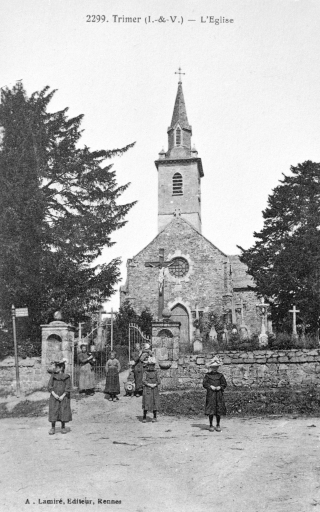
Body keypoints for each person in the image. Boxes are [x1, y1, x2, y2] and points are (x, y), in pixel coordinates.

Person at [202, 356, 227, 432]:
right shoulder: (207, 375)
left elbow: (224, 384)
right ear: (211, 368)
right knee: (211, 410)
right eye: (213, 367)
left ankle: (218, 424)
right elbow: (204, 384)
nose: (214, 369)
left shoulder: (220, 375)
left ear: (218, 367)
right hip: (211, 394)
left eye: (216, 367)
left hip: (218, 394)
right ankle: (211, 425)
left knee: (218, 409)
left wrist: (220, 387)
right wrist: (210, 386)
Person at [48, 359, 72, 435]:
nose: (55, 369)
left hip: (63, 397)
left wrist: (63, 395)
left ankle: (63, 427)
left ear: (61, 368)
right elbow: (49, 386)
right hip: (54, 396)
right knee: (53, 410)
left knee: (63, 410)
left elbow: (68, 387)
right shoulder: (53, 376)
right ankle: (53, 427)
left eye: (57, 367)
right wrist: (54, 394)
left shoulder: (66, 377)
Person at [142, 357, 161, 423]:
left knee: (154, 402)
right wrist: (149, 384)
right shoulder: (145, 372)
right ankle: (144, 416)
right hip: (147, 389)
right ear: (148, 366)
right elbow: (143, 380)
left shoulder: (156, 372)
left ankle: (155, 417)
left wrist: (155, 384)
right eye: (150, 365)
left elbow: (159, 381)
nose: (151, 367)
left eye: (152, 365)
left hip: (154, 389)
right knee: (146, 402)